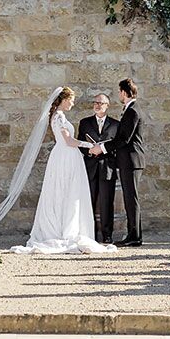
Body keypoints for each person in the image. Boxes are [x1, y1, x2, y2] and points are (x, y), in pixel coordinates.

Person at [12, 87, 117, 254]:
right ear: (64, 99)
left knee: (66, 192)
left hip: (65, 156)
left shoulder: (58, 116)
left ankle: (65, 226)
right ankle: (65, 229)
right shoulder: (59, 117)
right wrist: (89, 145)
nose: (73, 103)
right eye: (71, 100)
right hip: (65, 156)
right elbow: (68, 141)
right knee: (67, 191)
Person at [90, 79, 146, 247]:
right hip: (127, 161)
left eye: (119, 92)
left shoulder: (133, 111)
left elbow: (124, 139)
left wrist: (102, 147)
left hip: (131, 160)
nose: (119, 95)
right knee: (130, 198)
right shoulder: (130, 110)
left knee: (131, 198)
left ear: (123, 92)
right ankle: (133, 234)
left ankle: (134, 236)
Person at [77, 94, 118, 242]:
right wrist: (89, 150)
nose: (97, 105)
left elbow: (117, 146)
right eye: (95, 102)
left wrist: (103, 149)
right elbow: (80, 143)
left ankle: (107, 235)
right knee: (89, 202)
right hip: (90, 167)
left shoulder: (115, 125)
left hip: (107, 168)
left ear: (107, 105)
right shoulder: (85, 123)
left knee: (107, 203)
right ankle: (90, 234)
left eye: (101, 103)